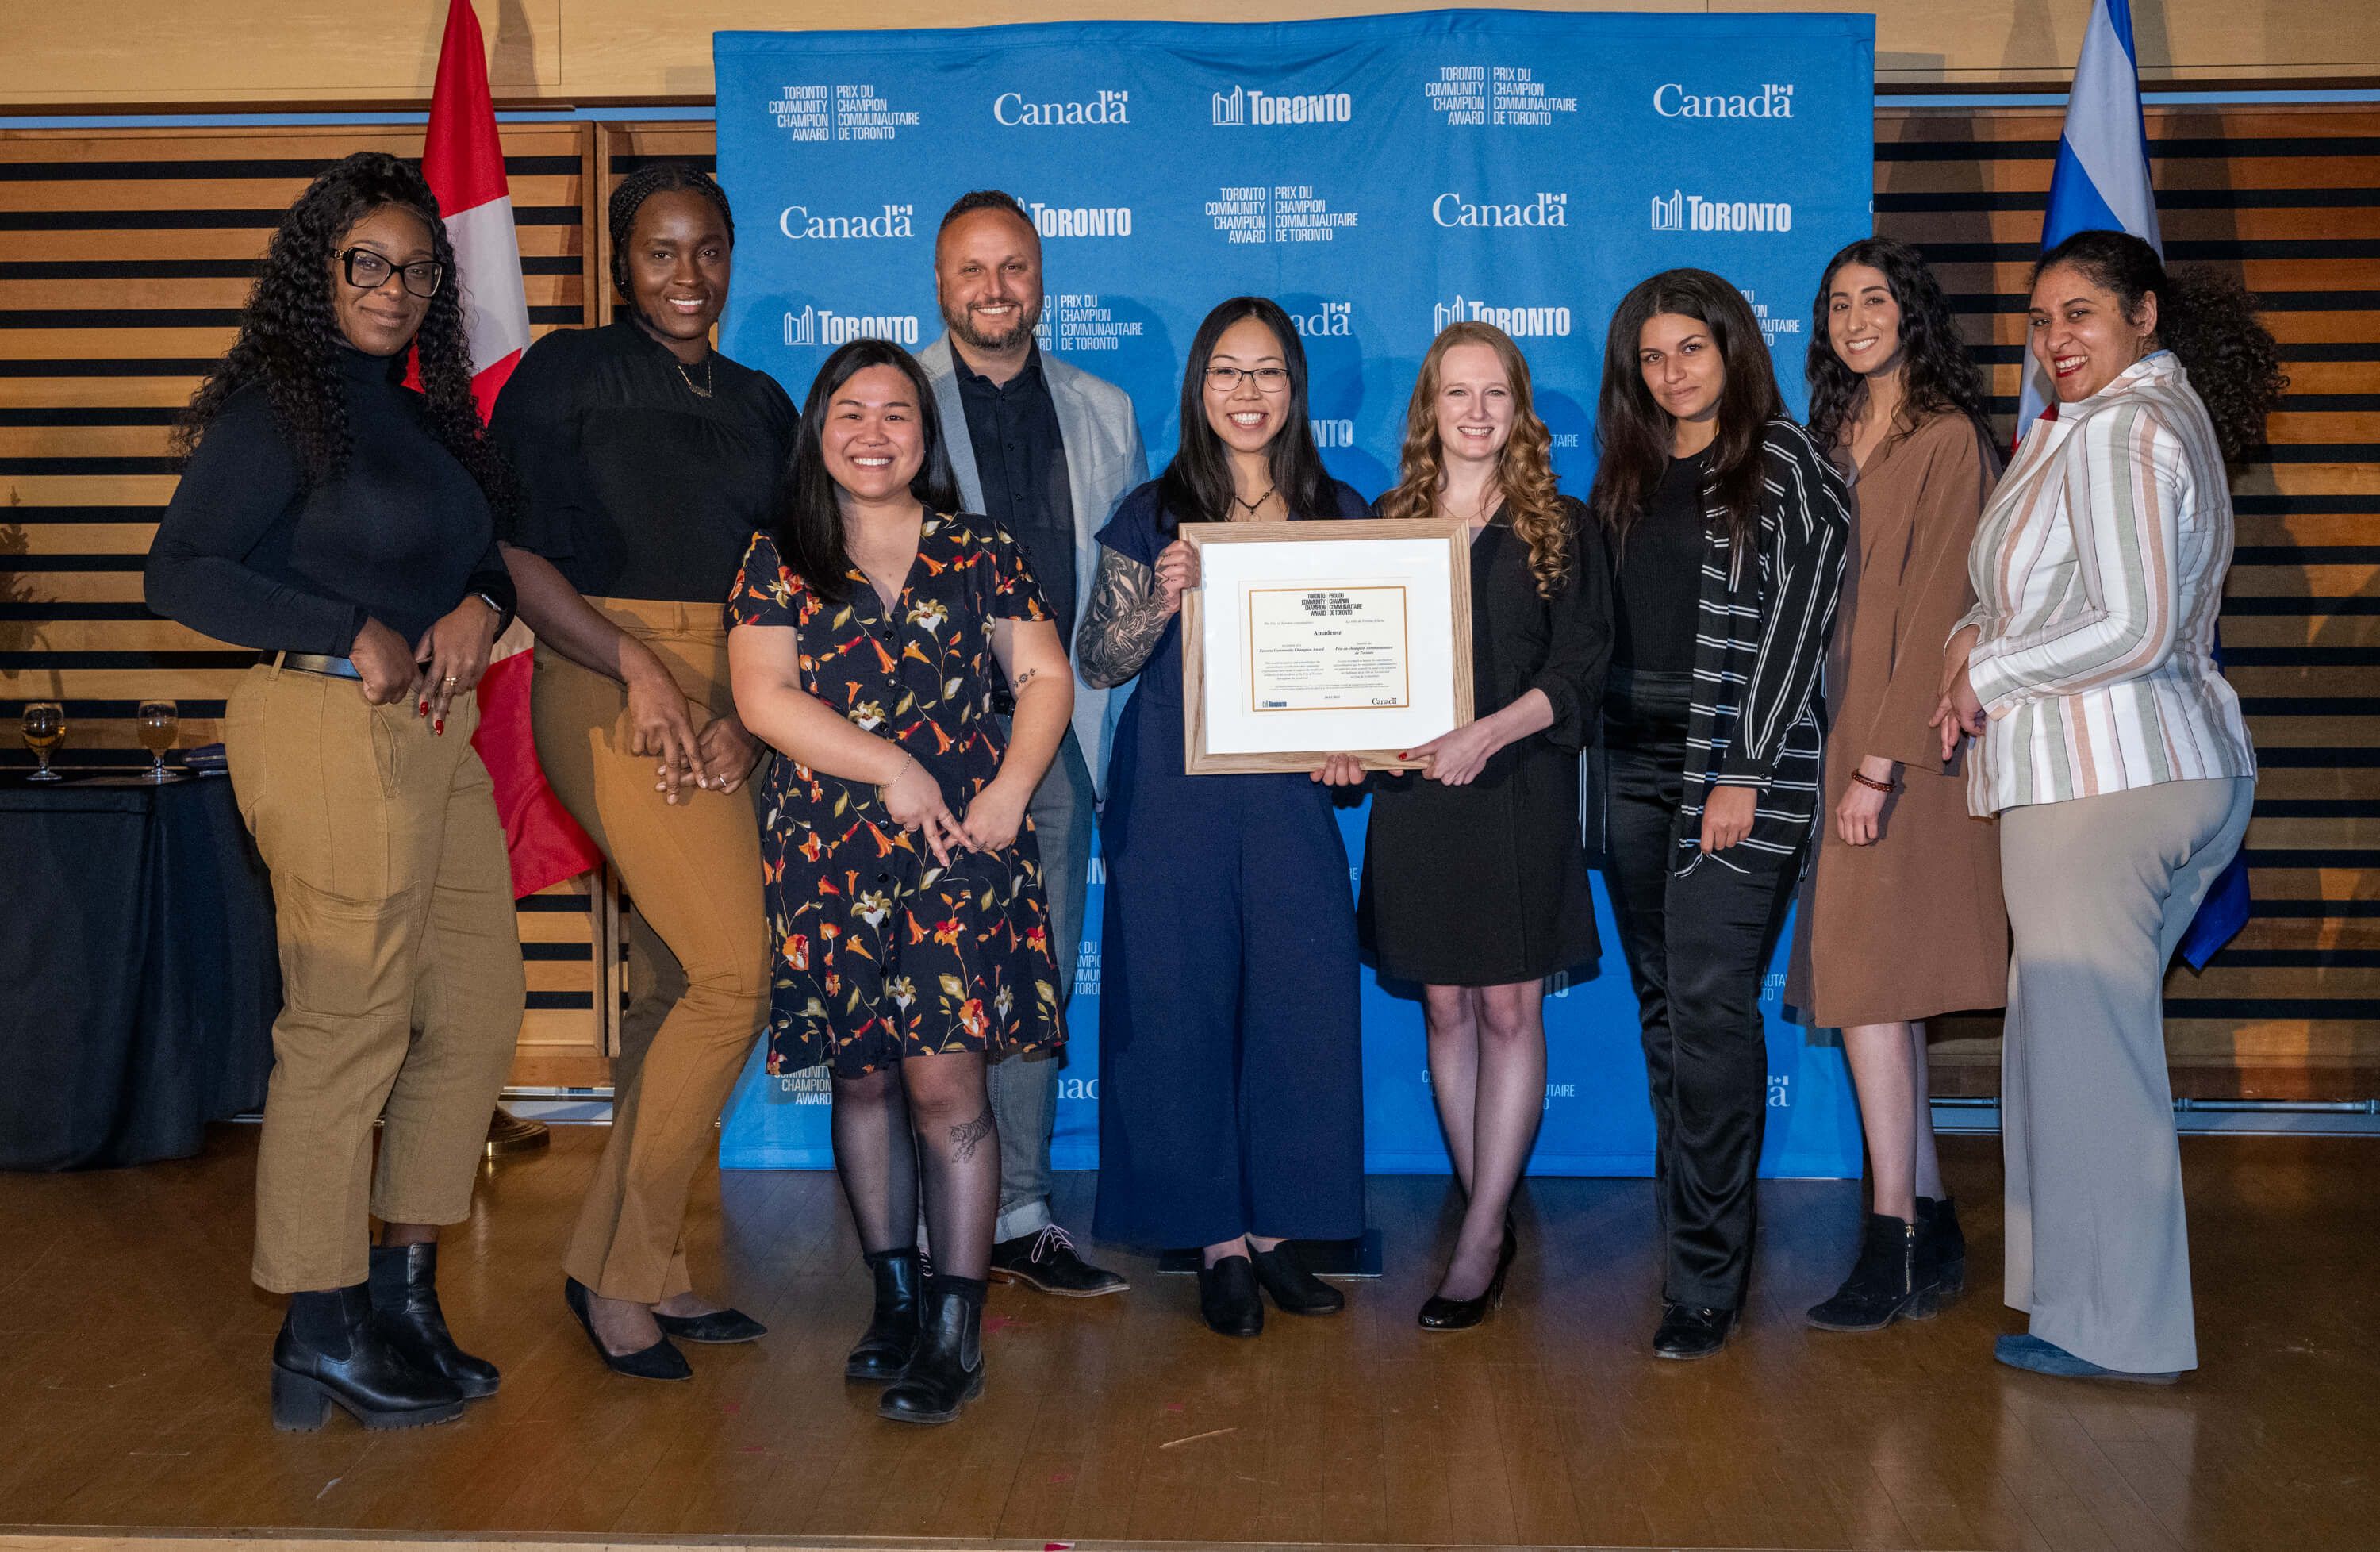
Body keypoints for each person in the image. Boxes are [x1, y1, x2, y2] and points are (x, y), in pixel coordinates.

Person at [144, 152, 525, 1430]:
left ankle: (401, 1294)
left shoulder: (422, 416)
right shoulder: (279, 409)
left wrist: (482, 603)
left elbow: (494, 555)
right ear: (322, 268)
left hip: (434, 730)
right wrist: (344, 622)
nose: (397, 286)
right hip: (320, 718)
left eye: (419, 269)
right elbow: (181, 570)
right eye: (369, 262)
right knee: (347, 1025)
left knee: (476, 1010)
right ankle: (316, 1325)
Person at [1937, 230, 2279, 1384]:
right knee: (2063, 1043)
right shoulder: (2120, 423)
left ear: (2143, 314)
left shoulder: (2124, 428)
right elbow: (2040, 598)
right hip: (2144, 769)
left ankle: (2119, 1333)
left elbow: (2127, 629)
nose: (2054, 340)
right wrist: (1974, 635)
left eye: (2079, 314)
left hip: (2106, 780)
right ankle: (2068, 1301)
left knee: (2091, 1059)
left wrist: (1982, 674)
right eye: (2039, 322)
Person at [486, 163, 797, 1378]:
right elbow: (511, 553)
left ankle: (651, 1265)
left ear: (731, 256)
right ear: (624, 263)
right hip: (608, 676)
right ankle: (615, 1278)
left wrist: (757, 715)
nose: (687, 275)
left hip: (740, 689)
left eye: (707, 249)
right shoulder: (563, 374)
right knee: (735, 977)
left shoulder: (766, 400)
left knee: (675, 987)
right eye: (661, 251)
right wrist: (641, 669)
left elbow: (789, 573)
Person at [727, 337, 1071, 1424]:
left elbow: (1045, 674)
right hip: (830, 853)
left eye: (897, 415)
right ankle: (893, 1297)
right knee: (864, 1078)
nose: (874, 434)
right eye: (851, 413)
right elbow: (764, 701)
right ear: (818, 433)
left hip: (963, 847)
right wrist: (892, 766)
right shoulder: (775, 555)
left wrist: (1014, 787)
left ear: (927, 438)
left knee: (945, 1086)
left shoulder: (978, 548)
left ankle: (957, 1331)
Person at [1077, 296, 1369, 1338]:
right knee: (1179, 1016)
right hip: (1173, 799)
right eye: (1227, 373)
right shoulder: (1153, 512)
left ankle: (1281, 1234)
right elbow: (1098, 659)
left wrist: (1359, 753)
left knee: (1300, 1016)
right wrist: (1159, 598)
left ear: (1294, 391)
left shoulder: (1341, 513)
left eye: (1269, 373)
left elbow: (1375, 683)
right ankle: (1215, 1244)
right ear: (1199, 391)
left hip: (1292, 803)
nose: (1248, 393)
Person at [1585, 269, 1849, 1361]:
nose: (1671, 372)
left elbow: (1799, 618)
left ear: (1734, 349)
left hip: (1733, 775)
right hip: (1630, 770)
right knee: (1665, 1012)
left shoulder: (1783, 460)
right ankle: (1689, 1233)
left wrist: (1742, 768)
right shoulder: (1630, 471)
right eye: (1651, 356)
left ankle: (1706, 1280)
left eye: (1691, 349)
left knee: (1710, 1004)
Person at [1360, 321, 1613, 1330]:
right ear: (1430, 408)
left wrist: (1488, 734)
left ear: (1520, 409)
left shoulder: (1563, 523)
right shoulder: (1387, 522)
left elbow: (1580, 669)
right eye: (1456, 394)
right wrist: (1349, 741)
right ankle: (1491, 1202)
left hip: (1517, 792)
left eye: (1494, 394)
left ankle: (1478, 1237)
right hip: (1418, 803)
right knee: (1446, 1013)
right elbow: (1357, 674)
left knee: (1510, 1011)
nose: (1475, 413)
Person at [916, 190, 1142, 1297]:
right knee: (922, 983)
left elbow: (1119, 599)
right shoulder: (891, 399)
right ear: (940, 282)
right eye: (972, 270)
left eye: (1014, 268)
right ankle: (923, 1222)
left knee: (1033, 982)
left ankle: (1020, 1213)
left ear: (1041, 278)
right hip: (917, 750)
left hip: (1055, 744)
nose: (995, 289)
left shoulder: (1106, 407)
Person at [1785, 237, 2007, 1333]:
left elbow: (1936, 611)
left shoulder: (1949, 437)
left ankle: (1891, 1244)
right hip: (1837, 747)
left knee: (1872, 992)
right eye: (1838, 305)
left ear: (1914, 313)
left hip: (1900, 752)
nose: (1856, 318)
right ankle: (1930, 1221)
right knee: (1889, 997)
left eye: (1876, 299)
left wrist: (1876, 765)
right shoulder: (1829, 438)